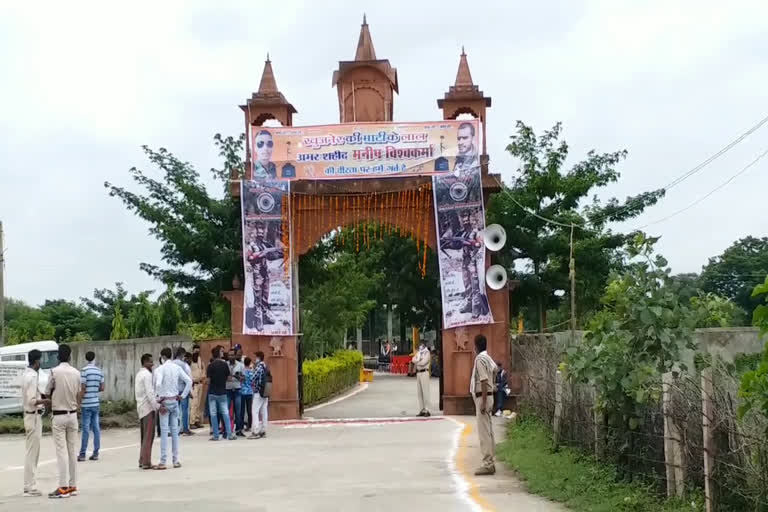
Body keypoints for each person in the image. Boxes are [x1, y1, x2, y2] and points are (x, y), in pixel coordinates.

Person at [45, 343, 82, 499]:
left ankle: (62, 487)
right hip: (73, 415)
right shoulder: (76, 373)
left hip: (59, 415)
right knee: (72, 451)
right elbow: (79, 393)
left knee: (61, 452)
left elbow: (47, 392)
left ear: (58, 356)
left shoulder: (54, 372)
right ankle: (73, 486)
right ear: (70, 356)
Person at [153, 347, 192, 470]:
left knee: (164, 432)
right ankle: (176, 460)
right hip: (175, 401)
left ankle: (163, 461)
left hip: (165, 401)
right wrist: (183, 395)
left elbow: (158, 384)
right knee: (175, 431)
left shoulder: (160, 369)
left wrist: (158, 399)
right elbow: (189, 381)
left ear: (162, 357)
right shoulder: (177, 368)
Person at [21, 349, 51, 497]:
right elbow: (32, 401)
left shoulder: (26, 373)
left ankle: (29, 484)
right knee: (33, 453)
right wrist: (45, 400)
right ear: (36, 361)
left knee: (31, 452)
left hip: (29, 416)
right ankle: (30, 486)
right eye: (40, 360)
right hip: (33, 416)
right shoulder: (32, 376)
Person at [245, 221, 284, 331]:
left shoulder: (265, 244)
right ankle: (258, 320)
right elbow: (249, 258)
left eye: (262, 229)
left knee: (265, 295)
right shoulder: (252, 246)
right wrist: (259, 255)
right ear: (256, 231)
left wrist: (275, 252)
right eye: (259, 230)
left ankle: (266, 315)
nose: (261, 232)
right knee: (258, 296)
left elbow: (273, 254)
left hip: (265, 272)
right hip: (257, 274)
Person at [470, 335, 498, 476]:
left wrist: (484, 401)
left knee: (484, 432)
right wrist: (492, 385)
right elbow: (495, 369)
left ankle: (487, 463)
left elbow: (483, 379)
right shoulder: (487, 357)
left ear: (476, 346)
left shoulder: (480, 359)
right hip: (489, 396)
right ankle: (491, 460)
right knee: (489, 430)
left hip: (483, 397)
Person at [78, 351, 104, 462]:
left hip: (86, 404)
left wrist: (79, 401)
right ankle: (96, 453)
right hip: (95, 403)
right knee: (96, 428)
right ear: (94, 358)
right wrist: (93, 390)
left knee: (85, 429)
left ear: (86, 358)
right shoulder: (99, 371)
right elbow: (102, 388)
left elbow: (83, 388)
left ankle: (82, 454)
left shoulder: (84, 371)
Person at [135, 353, 158, 470]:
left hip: (141, 407)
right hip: (148, 408)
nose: (152, 364)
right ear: (144, 362)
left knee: (144, 436)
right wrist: (157, 406)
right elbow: (150, 393)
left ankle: (142, 459)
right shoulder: (147, 375)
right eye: (150, 362)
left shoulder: (139, 374)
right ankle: (146, 462)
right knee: (149, 436)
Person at [207, 346, 235, 441]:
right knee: (225, 413)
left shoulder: (210, 366)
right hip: (223, 392)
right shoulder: (225, 365)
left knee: (213, 414)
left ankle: (215, 435)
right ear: (219, 353)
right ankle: (229, 434)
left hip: (212, 393)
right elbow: (229, 378)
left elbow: (208, 380)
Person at [172, 347, 193, 436]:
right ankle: (185, 428)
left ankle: (175, 429)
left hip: (173, 390)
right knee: (184, 410)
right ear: (182, 355)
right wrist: (189, 391)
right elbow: (188, 378)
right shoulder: (184, 365)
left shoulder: (171, 364)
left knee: (174, 411)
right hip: (183, 390)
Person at [248, 351, 269, 439]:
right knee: (264, 411)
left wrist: (251, 369)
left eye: (256, 357)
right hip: (266, 391)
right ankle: (263, 430)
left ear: (259, 357)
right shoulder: (266, 367)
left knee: (255, 411)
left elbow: (252, 378)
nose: (254, 359)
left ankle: (255, 431)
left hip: (258, 392)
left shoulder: (259, 367)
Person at [226, 348, 245, 436]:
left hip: (237, 390)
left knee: (238, 411)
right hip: (228, 390)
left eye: (232, 355)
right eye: (229, 355)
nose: (231, 357)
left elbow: (243, 378)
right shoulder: (225, 365)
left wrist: (237, 376)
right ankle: (227, 430)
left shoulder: (240, 365)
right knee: (226, 410)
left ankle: (239, 430)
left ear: (235, 355)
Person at [411, 343, 431, 417]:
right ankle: (422, 409)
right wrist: (417, 361)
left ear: (424, 346)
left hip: (424, 372)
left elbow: (423, 363)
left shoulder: (427, 353)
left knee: (425, 392)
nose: (420, 347)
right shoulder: (419, 353)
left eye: (422, 345)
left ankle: (427, 410)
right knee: (420, 393)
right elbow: (413, 359)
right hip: (418, 373)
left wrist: (417, 361)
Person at [189, 345, 205, 429]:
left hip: (200, 383)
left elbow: (203, 369)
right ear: (192, 351)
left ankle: (197, 420)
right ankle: (191, 422)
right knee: (194, 404)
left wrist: (202, 377)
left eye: (198, 351)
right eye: (195, 351)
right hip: (193, 384)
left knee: (198, 404)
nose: (197, 352)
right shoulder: (190, 360)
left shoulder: (200, 359)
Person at [240, 357, 255, 432]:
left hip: (242, 392)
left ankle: (241, 425)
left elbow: (240, 379)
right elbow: (253, 381)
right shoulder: (251, 371)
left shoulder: (242, 371)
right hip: (249, 392)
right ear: (249, 363)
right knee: (249, 410)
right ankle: (249, 425)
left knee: (242, 410)